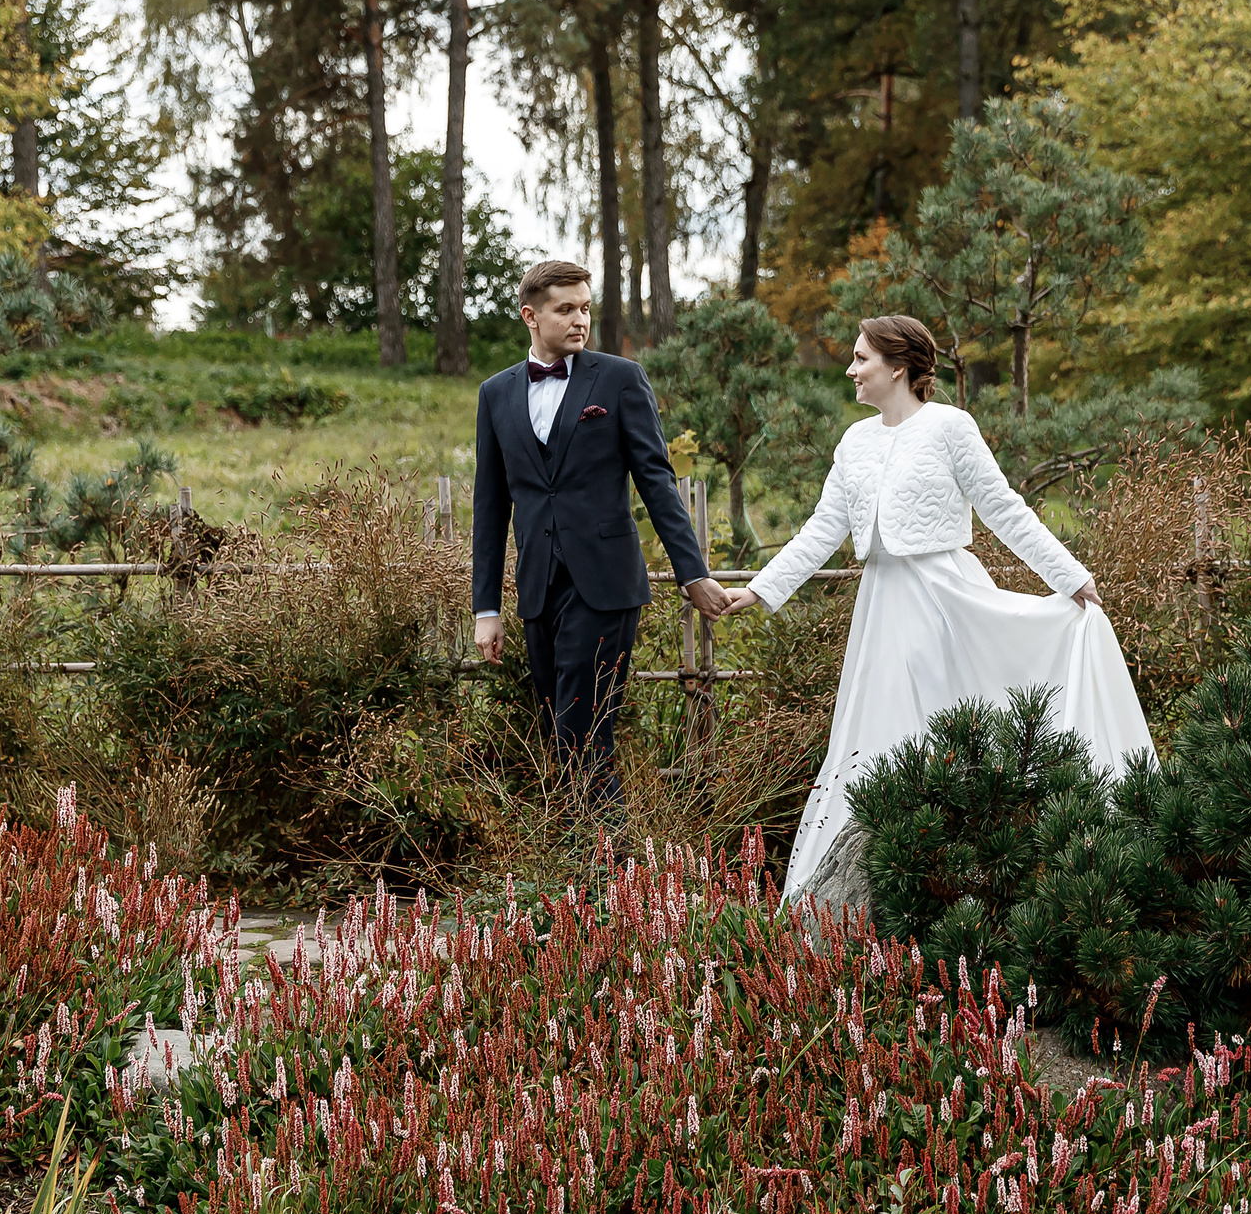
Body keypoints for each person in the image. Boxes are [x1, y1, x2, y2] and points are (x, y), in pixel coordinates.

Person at [718, 313, 1155, 897]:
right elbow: (822, 529)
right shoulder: (855, 441)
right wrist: (761, 589)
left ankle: (970, 883)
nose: (850, 370)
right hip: (881, 608)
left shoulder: (951, 427)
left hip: (946, 600)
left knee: (944, 729)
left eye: (861, 359)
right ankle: (872, 890)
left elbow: (1003, 508)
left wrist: (1069, 577)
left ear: (897, 367)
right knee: (876, 730)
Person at [472, 259, 730, 817]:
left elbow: (656, 481)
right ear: (530, 316)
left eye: (585, 307)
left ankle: (609, 872)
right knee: (559, 732)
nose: (580, 319)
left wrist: (692, 573)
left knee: (583, 732)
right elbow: (490, 506)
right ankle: (585, 877)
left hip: (605, 585)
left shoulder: (617, 379)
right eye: (565, 309)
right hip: (539, 586)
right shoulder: (495, 395)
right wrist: (486, 608)